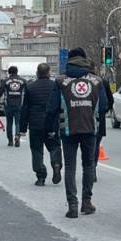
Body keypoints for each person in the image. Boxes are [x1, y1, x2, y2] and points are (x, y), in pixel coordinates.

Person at [46, 48, 107, 219]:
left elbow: (51, 108)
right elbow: (104, 106)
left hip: (68, 130)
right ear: (85, 60)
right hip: (90, 129)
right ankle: (87, 202)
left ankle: (72, 205)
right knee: (88, 165)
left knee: (70, 167)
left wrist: (51, 128)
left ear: (69, 61)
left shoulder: (60, 81)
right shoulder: (97, 81)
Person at [20, 63, 62, 187]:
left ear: (37, 73)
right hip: (52, 124)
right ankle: (56, 164)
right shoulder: (55, 86)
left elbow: (25, 108)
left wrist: (22, 128)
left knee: (37, 150)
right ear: (49, 73)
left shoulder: (30, 87)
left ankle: (40, 176)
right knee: (54, 146)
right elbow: (60, 105)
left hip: (35, 125)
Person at [0, 66, 27, 147]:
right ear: (17, 72)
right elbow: (27, 92)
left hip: (8, 105)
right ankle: (17, 136)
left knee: (9, 123)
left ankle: (10, 141)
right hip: (19, 105)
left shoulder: (5, 81)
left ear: (9, 72)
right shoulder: (23, 81)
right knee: (18, 122)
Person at [90, 62, 114, 182]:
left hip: (84, 118)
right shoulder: (102, 82)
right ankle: (92, 168)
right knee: (95, 144)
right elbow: (110, 100)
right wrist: (104, 112)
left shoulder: (80, 82)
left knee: (87, 145)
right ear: (95, 69)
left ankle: (88, 168)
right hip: (99, 119)